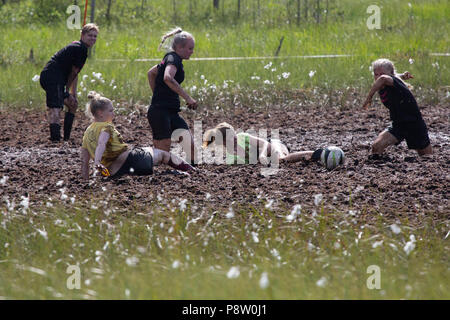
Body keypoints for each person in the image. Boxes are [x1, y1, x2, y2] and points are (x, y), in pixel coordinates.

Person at [81, 92, 195, 180]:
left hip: (112, 172)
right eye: (111, 111)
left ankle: (181, 173)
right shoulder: (106, 127)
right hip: (128, 160)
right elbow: (102, 143)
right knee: (163, 155)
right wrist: (97, 161)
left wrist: (85, 181)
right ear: (100, 113)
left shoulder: (87, 133)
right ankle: (192, 170)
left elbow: (84, 161)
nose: (113, 114)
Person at [147, 27, 198, 165]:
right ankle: (139, 161)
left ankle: (193, 173)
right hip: (159, 112)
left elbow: (151, 73)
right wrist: (188, 98)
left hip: (171, 111)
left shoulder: (172, 59)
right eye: (190, 48)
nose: (192, 51)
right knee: (162, 156)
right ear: (180, 48)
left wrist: (157, 93)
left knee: (191, 149)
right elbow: (167, 78)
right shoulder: (172, 58)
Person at [40, 23, 99, 142]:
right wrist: (66, 90)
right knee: (55, 107)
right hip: (52, 77)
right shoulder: (80, 48)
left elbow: (75, 73)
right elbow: (73, 73)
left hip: (59, 79)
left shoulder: (80, 48)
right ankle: (55, 139)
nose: (93, 38)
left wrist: (73, 93)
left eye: (95, 36)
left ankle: (66, 138)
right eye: (90, 35)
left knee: (73, 104)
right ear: (82, 35)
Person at [362, 58, 432, 157]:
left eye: (381, 74)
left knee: (427, 157)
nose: (378, 77)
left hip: (414, 124)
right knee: (376, 147)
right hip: (398, 124)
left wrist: (369, 98)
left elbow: (384, 78)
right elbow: (390, 77)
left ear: (390, 73)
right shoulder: (390, 80)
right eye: (375, 74)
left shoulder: (389, 81)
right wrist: (402, 75)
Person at [202, 122, 323, 166]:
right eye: (230, 138)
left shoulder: (242, 137)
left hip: (274, 145)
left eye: (234, 135)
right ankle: (309, 158)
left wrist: (262, 155)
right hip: (268, 161)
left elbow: (265, 143)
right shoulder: (230, 158)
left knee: (280, 159)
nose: (234, 138)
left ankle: (318, 153)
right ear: (223, 141)